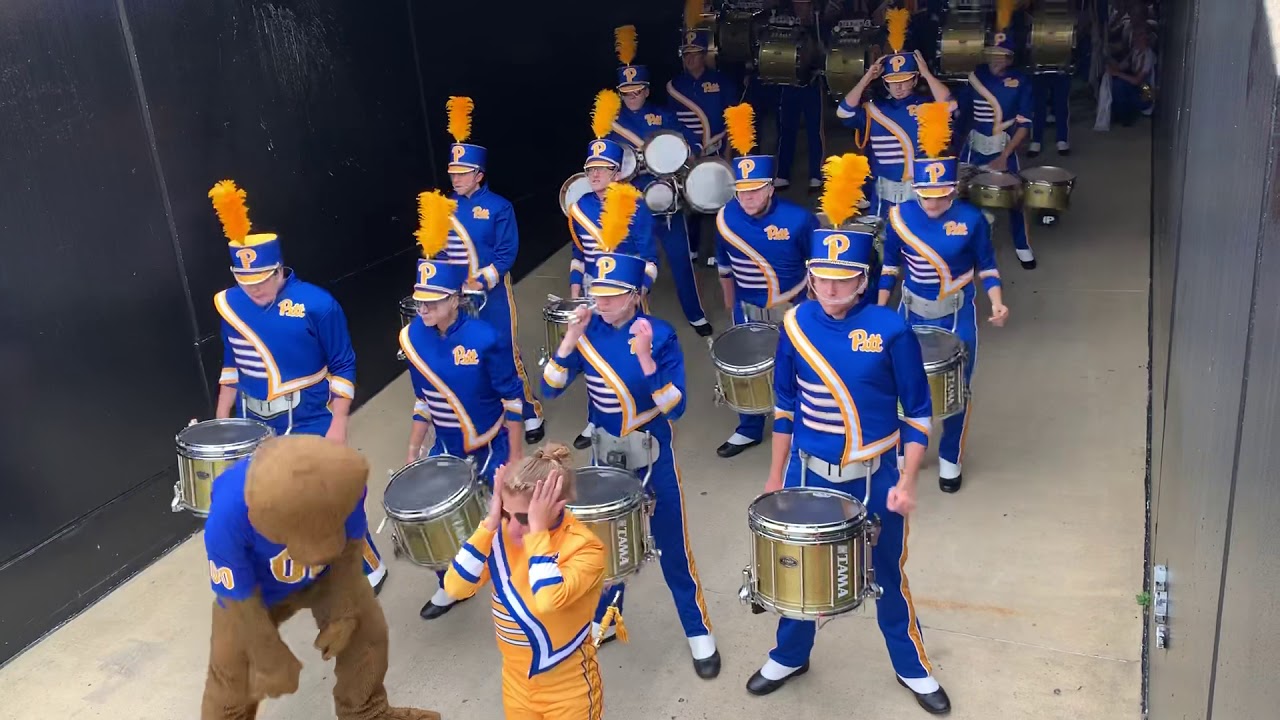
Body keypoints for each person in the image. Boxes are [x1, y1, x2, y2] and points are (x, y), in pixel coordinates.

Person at [744, 226, 951, 715]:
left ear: (863, 280)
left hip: (875, 474)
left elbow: (919, 414)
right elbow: (786, 405)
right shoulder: (794, 323)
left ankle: (911, 666)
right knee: (797, 572)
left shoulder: (890, 329)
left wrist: (906, 480)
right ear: (810, 278)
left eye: (844, 279)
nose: (831, 289)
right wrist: (776, 476)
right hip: (807, 474)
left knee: (887, 573)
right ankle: (789, 655)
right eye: (821, 278)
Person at [541, 251, 721, 679]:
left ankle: (697, 631)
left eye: (611, 295)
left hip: (652, 456)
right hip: (605, 461)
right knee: (603, 552)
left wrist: (645, 358)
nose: (600, 302)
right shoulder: (586, 332)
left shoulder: (660, 334)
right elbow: (550, 388)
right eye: (596, 293)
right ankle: (604, 619)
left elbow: (674, 407)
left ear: (636, 295)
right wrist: (568, 340)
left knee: (672, 548)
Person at [208, 179, 387, 593]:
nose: (253, 290)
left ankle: (366, 564)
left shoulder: (318, 304)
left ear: (280, 268)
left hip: (308, 413)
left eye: (261, 280)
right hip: (252, 420)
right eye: (244, 280)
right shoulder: (229, 303)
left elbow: (343, 362)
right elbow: (232, 363)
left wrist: (338, 422)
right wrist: (221, 423)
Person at [201, 435, 440, 720]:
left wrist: (345, 612)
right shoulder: (228, 517)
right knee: (232, 671)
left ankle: (366, 712)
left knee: (366, 629)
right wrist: (267, 651)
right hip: (256, 590)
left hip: (330, 574)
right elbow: (237, 600)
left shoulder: (344, 482)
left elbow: (350, 552)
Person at [402, 193, 527, 621]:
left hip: (490, 445)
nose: (425, 309)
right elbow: (423, 401)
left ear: (456, 299)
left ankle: (516, 590)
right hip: (446, 448)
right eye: (420, 302)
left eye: (434, 301)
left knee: (506, 521)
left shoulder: (484, 339)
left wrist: (515, 457)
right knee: (434, 518)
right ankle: (450, 586)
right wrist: (413, 452)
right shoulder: (414, 337)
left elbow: (513, 400)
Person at [879, 101, 1009, 493]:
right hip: (910, 313)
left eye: (940, 195)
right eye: (926, 196)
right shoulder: (899, 217)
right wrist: (878, 311)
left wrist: (997, 301)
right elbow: (889, 268)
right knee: (902, 384)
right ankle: (905, 446)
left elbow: (987, 265)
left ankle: (950, 456)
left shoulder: (971, 219)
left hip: (957, 315)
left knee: (956, 390)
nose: (932, 203)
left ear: (953, 190)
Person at [442, 445, 606, 719]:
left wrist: (538, 531)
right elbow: (455, 587)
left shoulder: (585, 548)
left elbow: (548, 601)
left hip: (569, 689)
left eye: (524, 519)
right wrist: (490, 522)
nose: (513, 528)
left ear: (557, 508)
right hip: (516, 682)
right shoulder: (500, 534)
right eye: (507, 514)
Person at [713, 103, 818, 458]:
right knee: (745, 368)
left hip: (791, 306)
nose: (748, 197)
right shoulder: (726, 218)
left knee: (797, 370)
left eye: (755, 190)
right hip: (746, 306)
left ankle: (802, 430)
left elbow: (816, 266)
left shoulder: (799, 218)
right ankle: (748, 428)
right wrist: (729, 304)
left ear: (771, 188)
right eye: (742, 191)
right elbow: (724, 264)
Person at [440, 96, 546, 443]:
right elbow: (437, 251)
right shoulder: (442, 208)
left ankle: (528, 412)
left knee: (504, 352)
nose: (455, 179)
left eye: (462, 173)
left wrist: (482, 279)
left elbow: (506, 253)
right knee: (466, 355)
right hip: (454, 298)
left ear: (479, 174)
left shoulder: (499, 207)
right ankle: (487, 412)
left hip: (492, 295)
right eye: (452, 173)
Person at [608, 25, 714, 337]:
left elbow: (689, 140)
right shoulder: (611, 123)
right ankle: (626, 318)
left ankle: (695, 314)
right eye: (626, 93)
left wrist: (690, 152)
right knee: (628, 261)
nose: (632, 97)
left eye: (637, 91)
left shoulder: (663, 114)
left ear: (646, 90)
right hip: (628, 201)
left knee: (680, 258)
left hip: (666, 195)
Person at [567, 134, 660, 450]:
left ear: (617, 173)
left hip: (629, 293)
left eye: (603, 169)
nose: (595, 175)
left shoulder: (636, 203)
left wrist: (638, 292)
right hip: (594, 293)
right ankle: (597, 418)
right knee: (594, 357)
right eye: (590, 169)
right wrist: (575, 288)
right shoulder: (579, 208)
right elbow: (579, 255)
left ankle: (642, 415)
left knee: (634, 355)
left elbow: (649, 258)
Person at [836, 8, 954, 218]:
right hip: (883, 195)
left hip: (919, 192)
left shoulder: (927, 107)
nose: (898, 88)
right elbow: (843, 112)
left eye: (904, 81)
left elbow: (951, 106)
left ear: (915, 80)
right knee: (882, 243)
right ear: (885, 83)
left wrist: (927, 73)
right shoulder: (874, 109)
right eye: (892, 82)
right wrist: (866, 78)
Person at [955, 6, 1038, 269]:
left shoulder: (1022, 81)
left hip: (1005, 146)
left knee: (1016, 197)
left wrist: (1004, 156)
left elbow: (1024, 124)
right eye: (993, 53)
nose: (997, 59)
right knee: (964, 197)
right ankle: (967, 247)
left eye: (1002, 55)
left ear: (1011, 57)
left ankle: (1022, 245)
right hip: (973, 147)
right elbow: (961, 111)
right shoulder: (975, 76)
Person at [668, 27, 741, 262]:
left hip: (717, 151)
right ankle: (694, 249)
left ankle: (717, 252)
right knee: (690, 202)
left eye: (695, 53)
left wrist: (729, 152)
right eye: (685, 54)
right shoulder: (674, 86)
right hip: (688, 154)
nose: (690, 59)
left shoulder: (721, 82)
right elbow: (672, 124)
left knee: (718, 201)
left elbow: (733, 119)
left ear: (704, 54)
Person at [773, 0, 826, 193]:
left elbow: (827, 54)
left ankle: (816, 174)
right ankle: (782, 173)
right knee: (786, 130)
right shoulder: (785, 21)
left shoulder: (820, 25)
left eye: (805, 5)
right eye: (798, 5)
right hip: (789, 83)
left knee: (814, 131)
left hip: (811, 83)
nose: (801, 8)